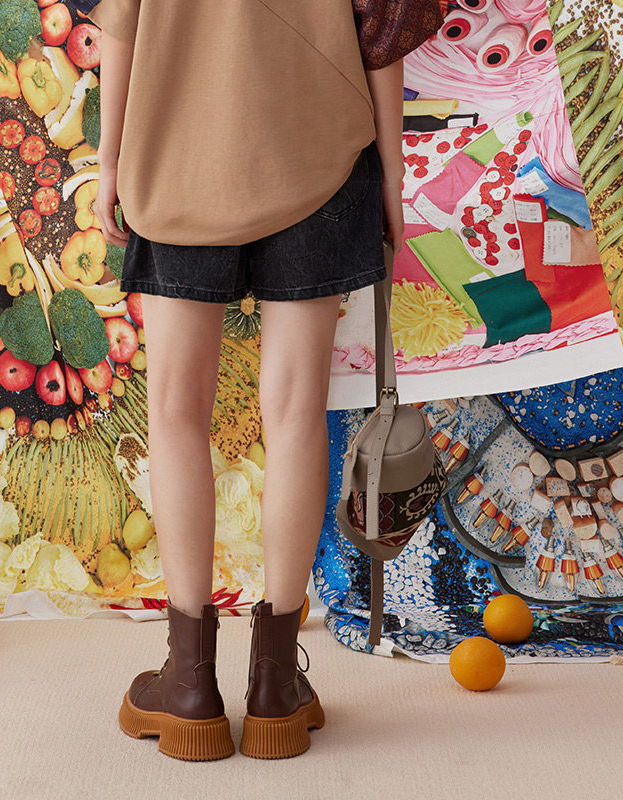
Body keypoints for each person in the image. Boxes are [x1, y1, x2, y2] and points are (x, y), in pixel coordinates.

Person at [81, 0, 444, 761]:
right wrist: (392, 169)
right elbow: (383, 24)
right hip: (318, 155)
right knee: (296, 410)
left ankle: (189, 684)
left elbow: (120, 19)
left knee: (176, 410)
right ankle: (277, 682)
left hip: (175, 155)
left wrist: (110, 159)